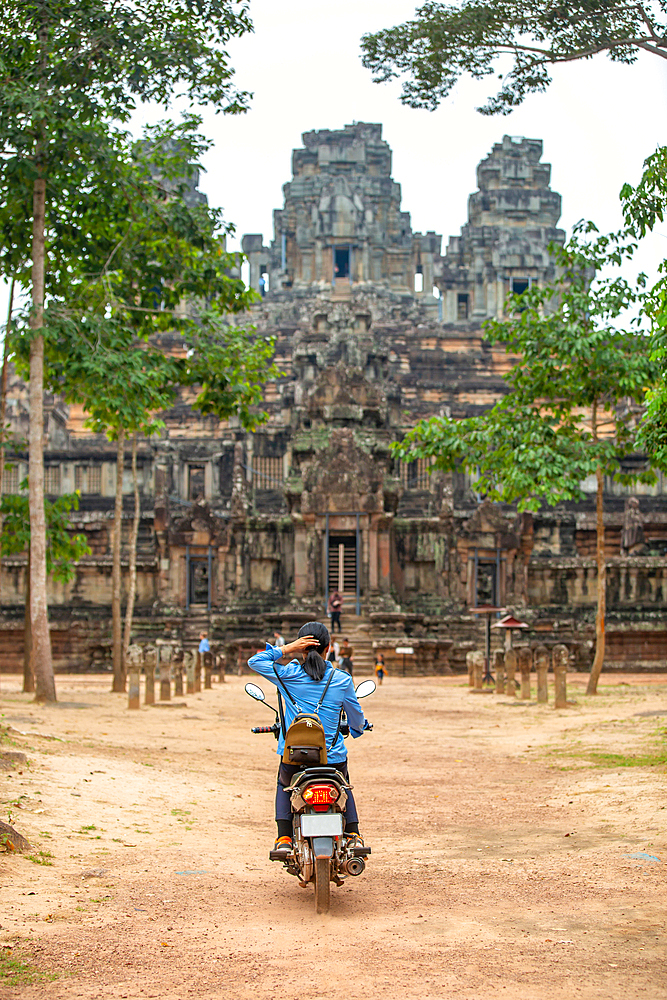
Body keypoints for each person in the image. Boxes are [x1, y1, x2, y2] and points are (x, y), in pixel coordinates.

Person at [248, 621, 370, 854]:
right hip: (331, 757)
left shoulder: (288, 675)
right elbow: (356, 718)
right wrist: (357, 729)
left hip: (295, 756)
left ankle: (283, 838)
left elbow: (255, 662)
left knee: (284, 784)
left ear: (302, 648)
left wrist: (288, 648)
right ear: (329, 647)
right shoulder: (341, 679)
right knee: (344, 784)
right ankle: (353, 834)